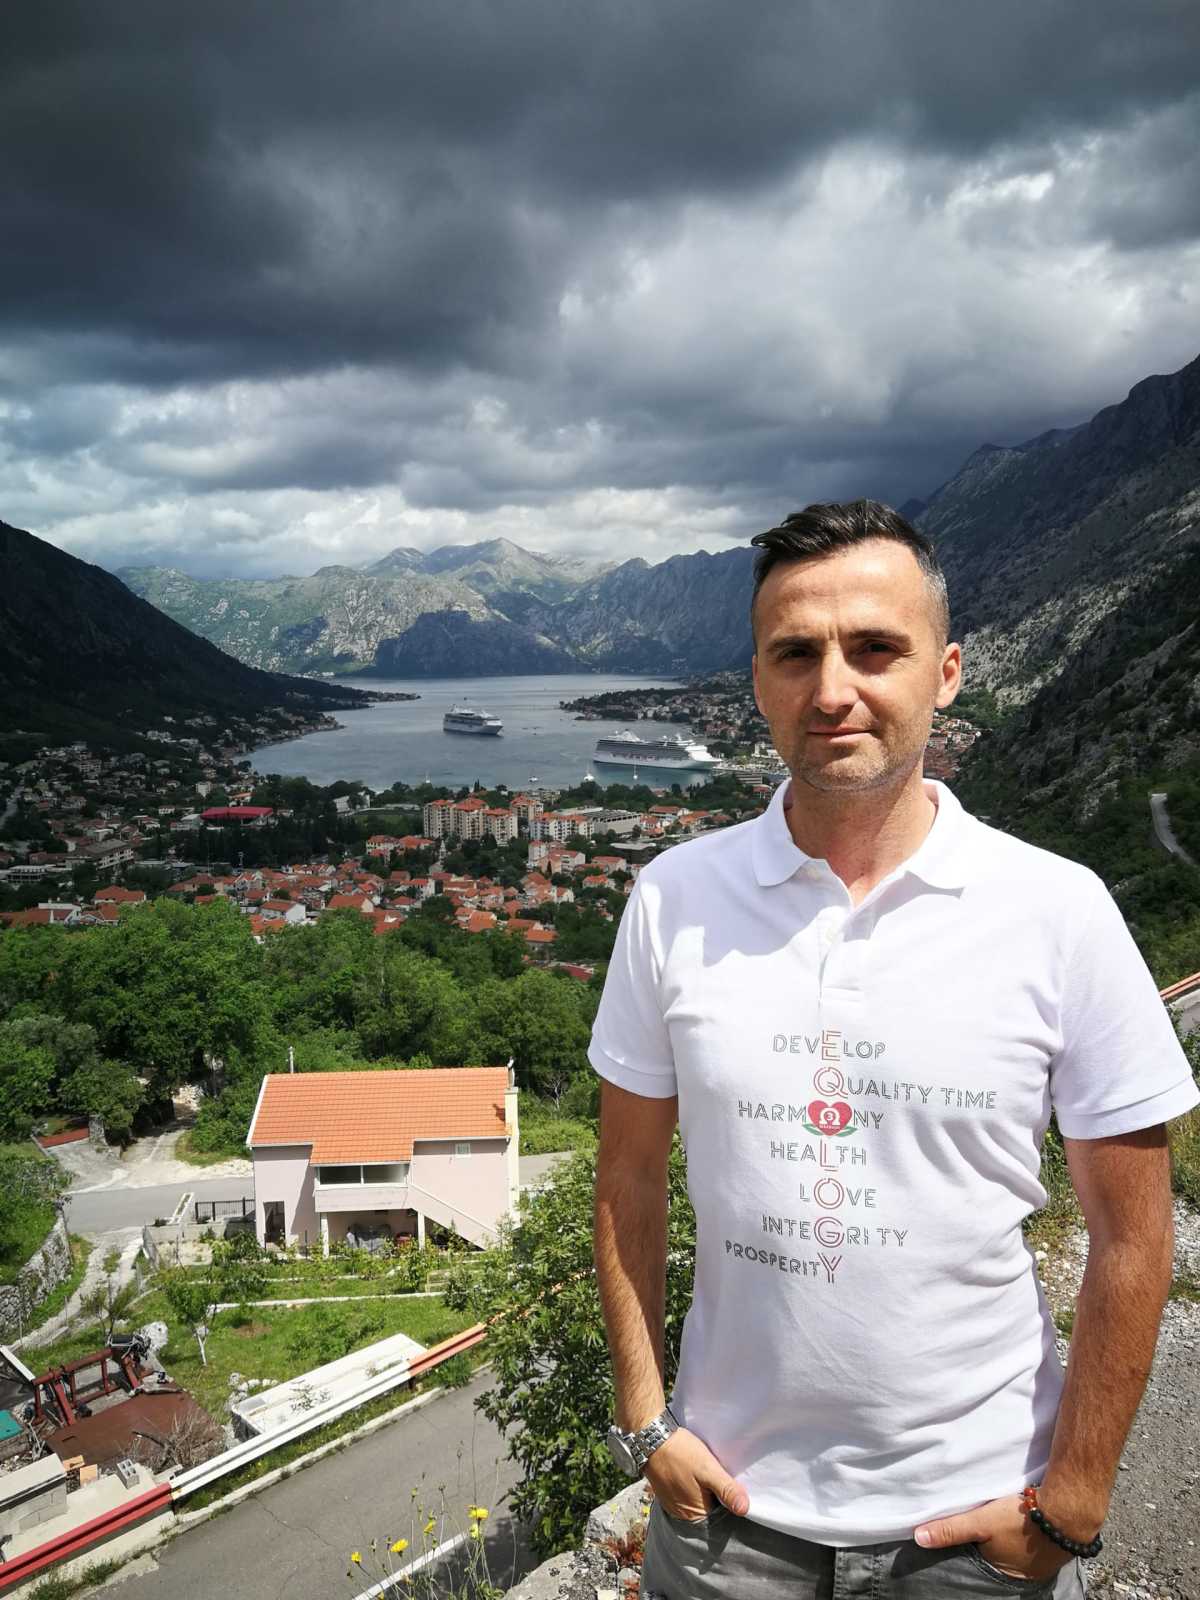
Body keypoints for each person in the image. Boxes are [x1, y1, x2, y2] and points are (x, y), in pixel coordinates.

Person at [590, 500, 1199, 1599]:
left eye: (876, 648)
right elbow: (626, 1175)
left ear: (947, 672)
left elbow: (1134, 1234)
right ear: (759, 681)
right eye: (796, 653)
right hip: (725, 1515)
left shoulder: (1058, 911)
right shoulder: (673, 899)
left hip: (979, 1526)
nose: (834, 689)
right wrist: (645, 1420)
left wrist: (1073, 1499)